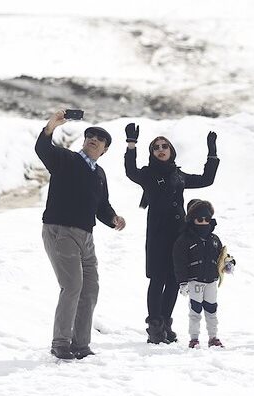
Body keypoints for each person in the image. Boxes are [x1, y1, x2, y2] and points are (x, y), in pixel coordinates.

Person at [36, 110, 126, 360]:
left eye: (99, 139)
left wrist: (113, 219)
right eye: (90, 136)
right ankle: (61, 342)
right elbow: (44, 150)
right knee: (72, 285)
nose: (93, 139)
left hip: (86, 238)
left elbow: (102, 207)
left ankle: (81, 344)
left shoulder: (99, 174)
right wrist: (50, 127)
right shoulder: (66, 160)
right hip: (60, 230)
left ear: (105, 149)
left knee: (90, 290)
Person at [124, 123, 219, 344]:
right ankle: (154, 326)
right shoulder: (147, 174)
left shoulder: (179, 175)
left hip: (179, 236)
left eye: (164, 146)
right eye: (156, 147)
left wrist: (212, 153)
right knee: (157, 279)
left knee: (175, 280)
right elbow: (130, 172)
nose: (160, 149)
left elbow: (207, 179)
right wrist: (131, 144)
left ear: (171, 150)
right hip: (158, 234)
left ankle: (166, 323)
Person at [173, 199, 233, 348]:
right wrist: (183, 282)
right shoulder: (185, 240)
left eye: (207, 219)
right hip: (195, 281)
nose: (204, 222)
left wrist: (228, 263)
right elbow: (179, 262)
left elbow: (222, 256)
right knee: (195, 311)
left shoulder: (214, 239)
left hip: (211, 281)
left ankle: (213, 337)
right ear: (193, 219)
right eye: (200, 219)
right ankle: (194, 339)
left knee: (212, 310)